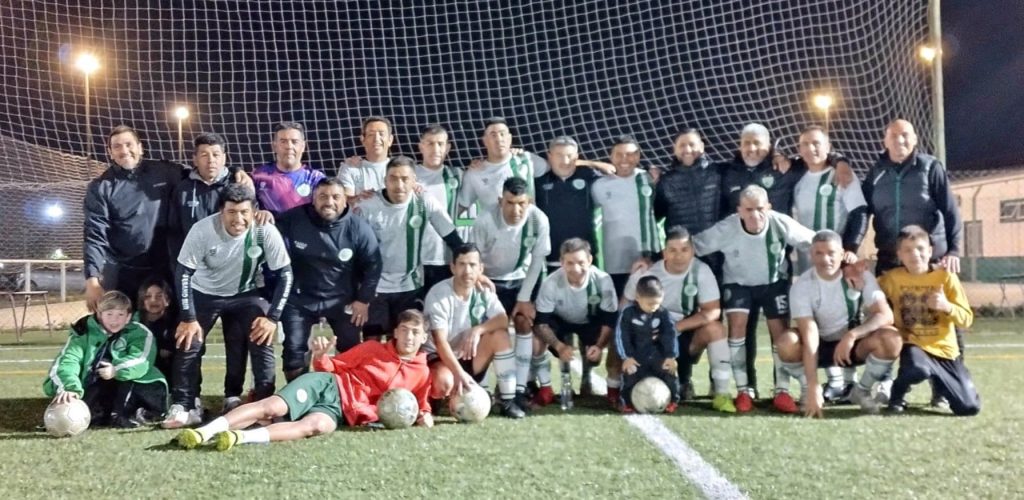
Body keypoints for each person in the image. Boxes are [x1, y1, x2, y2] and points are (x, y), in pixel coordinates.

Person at [174, 309, 434, 451]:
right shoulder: (373, 349)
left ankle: (239, 437)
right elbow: (333, 366)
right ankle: (203, 433)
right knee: (273, 407)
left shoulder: (422, 372)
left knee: (317, 426)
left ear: (424, 337)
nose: (409, 337)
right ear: (395, 332)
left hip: (341, 412)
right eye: (404, 330)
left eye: (415, 332)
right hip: (328, 385)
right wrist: (321, 357)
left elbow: (421, 405)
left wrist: (424, 416)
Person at [162, 184, 294, 428]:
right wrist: (188, 317)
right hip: (204, 292)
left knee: (261, 336)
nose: (238, 219)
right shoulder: (202, 230)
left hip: (245, 293)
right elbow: (183, 272)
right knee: (189, 341)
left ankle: (260, 406)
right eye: (231, 212)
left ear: (254, 211)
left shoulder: (265, 230)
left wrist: (273, 318)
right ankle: (186, 405)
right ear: (221, 211)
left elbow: (285, 274)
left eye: (244, 212)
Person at [693, 185, 815, 413]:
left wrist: (843, 251)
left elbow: (813, 240)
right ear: (739, 210)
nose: (755, 215)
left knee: (780, 332)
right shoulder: (728, 228)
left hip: (773, 282)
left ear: (768, 207)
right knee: (737, 327)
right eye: (748, 210)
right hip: (738, 284)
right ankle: (743, 390)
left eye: (760, 209)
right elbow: (695, 245)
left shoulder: (780, 222)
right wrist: (661, 258)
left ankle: (782, 391)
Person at [776, 230, 901, 417]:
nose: (825, 259)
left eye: (831, 253)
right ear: (811, 255)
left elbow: (886, 315)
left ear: (842, 254)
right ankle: (807, 390)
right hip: (820, 346)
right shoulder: (802, 286)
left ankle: (862, 390)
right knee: (787, 342)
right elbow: (810, 334)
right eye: (819, 253)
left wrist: (852, 335)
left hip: (853, 345)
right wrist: (813, 385)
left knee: (892, 338)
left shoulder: (860, 275)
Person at [276, 177, 382, 379]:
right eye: (323, 196)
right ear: (313, 199)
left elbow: (373, 266)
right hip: (301, 299)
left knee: (351, 349)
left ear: (345, 200)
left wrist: (363, 300)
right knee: (293, 351)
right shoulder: (294, 219)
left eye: (335, 197)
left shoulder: (358, 228)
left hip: (342, 299)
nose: (329, 202)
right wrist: (263, 215)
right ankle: (298, 392)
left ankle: (344, 391)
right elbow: (268, 228)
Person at [353, 156, 468, 341]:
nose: (399, 185)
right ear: (385, 180)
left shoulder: (424, 201)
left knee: (405, 342)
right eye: (393, 178)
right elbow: (354, 249)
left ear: (414, 180)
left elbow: (454, 240)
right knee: (371, 343)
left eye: (405, 179)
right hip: (375, 287)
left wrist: (472, 268)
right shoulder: (367, 205)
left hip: (410, 286)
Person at [622, 227, 735, 413]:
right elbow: (625, 304)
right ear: (664, 252)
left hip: (681, 334)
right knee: (620, 337)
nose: (679, 256)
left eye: (684, 250)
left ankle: (722, 394)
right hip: (649, 339)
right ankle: (618, 391)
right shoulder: (648, 274)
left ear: (692, 251)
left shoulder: (701, 271)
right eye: (672, 250)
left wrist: (675, 328)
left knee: (716, 329)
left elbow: (712, 311)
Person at [879, 225, 979, 416]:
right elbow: (870, 292)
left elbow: (966, 319)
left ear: (930, 251)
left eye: (920, 248)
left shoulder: (946, 277)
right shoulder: (892, 278)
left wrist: (946, 306)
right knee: (917, 369)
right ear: (899, 254)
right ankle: (897, 394)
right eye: (908, 250)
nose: (915, 254)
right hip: (914, 344)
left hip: (945, 351)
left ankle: (942, 382)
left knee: (969, 408)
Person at [470, 177, 551, 409]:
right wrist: (479, 279)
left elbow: (537, 261)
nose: (516, 210)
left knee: (525, 322)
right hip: (489, 281)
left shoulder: (538, 219)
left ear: (529, 201)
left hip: (520, 279)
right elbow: (474, 257)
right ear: (500, 201)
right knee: (489, 330)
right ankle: (482, 389)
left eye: (521, 203)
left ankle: (519, 389)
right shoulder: (485, 220)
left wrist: (524, 298)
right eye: (510, 203)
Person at [423, 244, 524, 418]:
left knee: (500, 335)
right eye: (462, 264)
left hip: (468, 355)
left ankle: (507, 400)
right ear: (452, 267)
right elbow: (440, 342)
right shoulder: (439, 294)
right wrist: (459, 373)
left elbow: (502, 319)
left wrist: (478, 330)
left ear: (480, 268)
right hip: (441, 358)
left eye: (472, 265)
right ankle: (442, 400)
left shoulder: (483, 290)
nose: (467, 271)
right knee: (444, 382)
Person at [43, 291, 167, 428]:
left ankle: (132, 413)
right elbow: (68, 361)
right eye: (109, 314)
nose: (115, 320)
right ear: (99, 315)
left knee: (130, 380)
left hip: (138, 384)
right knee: (89, 408)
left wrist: (116, 370)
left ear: (128, 317)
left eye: (120, 315)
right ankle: (102, 413)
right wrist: (69, 388)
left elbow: (142, 360)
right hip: (100, 385)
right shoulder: (82, 332)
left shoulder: (140, 333)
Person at [863, 119, 963, 276]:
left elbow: (950, 211)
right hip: (889, 261)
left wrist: (954, 250)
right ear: (885, 141)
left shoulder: (930, 168)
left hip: (928, 261)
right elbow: (862, 213)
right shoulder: (875, 173)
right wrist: (851, 247)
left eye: (905, 135)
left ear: (915, 139)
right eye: (893, 135)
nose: (899, 140)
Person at [531, 238, 618, 405]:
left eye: (581, 262)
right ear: (561, 262)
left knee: (597, 354)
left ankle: (587, 380)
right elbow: (541, 324)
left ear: (590, 260)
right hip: (560, 321)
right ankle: (554, 384)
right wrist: (559, 346)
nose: (576, 269)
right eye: (570, 263)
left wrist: (599, 346)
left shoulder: (602, 281)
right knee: (536, 340)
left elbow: (609, 321)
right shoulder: (550, 283)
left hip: (590, 321)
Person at [167, 133, 272, 264]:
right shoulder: (182, 189)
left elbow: (252, 222)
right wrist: (179, 267)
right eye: (204, 155)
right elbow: (174, 234)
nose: (211, 160)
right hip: (195, 266)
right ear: (195, 159)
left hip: (232, 266)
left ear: (224, 158)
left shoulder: (239, 184)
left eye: (216, 155)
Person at [790, 126, 868, 273]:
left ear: (828, 147)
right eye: (805, 144)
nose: (810, 148)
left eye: (816, 143)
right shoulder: (796, 178)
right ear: (799, 149)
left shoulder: (842, 175)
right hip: (806, 261)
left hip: (836, 259)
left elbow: (860, 213)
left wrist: (851, 248)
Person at [591, 135, 662, 294]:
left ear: (638, 156)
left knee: (649, 301)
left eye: (630, 154)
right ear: (611, 157)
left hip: (648, 257)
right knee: (620, 303)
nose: (624, 159)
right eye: (619, 154)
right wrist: (593, 163)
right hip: (615, 261)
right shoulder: (599, 185)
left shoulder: (649, 179)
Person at [534, 136, 614, 274]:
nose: (565, 161)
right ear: (549, 156)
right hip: (552, 258)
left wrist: (594, 164)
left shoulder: (589, 176)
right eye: (559, 155)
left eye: (569, 156)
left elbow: (616, 173)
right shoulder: (539, 182)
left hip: (585, 259)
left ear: (576, 157)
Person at [458, 117, 550, 217]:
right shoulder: (474, 173)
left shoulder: (526, 159)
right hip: (494, 226)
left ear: (510, 138)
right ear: (485, 141)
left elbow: (555, 167)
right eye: (493, 135)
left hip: (528, 225)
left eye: (502, 134)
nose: (499, 139)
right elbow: (462, 206)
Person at [615, 276, 680, 413]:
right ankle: (626, 402)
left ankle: (673, 401)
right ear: (638, 297)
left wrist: (670, 356)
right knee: (630, 374)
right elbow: (622, 335)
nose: (653, 307)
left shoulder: (663, 313)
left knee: (670, 373)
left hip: (657, 355)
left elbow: (670, 334)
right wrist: (627, 357)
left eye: (657, 303)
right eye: (650, 304)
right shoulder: (628, 313)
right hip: (636, 356)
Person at [415, 124, 464, 294]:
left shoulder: (458, 175)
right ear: (421, 146)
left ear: (448, 147)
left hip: (446, 258)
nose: (435, 149)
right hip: (415, 260)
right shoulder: (408, 175)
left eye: (440, 144)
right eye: (430, 143)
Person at [654, 129, 722, 240]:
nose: (687, 150)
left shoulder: (719, 173)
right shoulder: (666, 182)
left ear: (702, 147)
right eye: (682, 145)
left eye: (692, 144)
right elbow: (652, 215)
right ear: (674, 149)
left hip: (716, 245)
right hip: (683, 247)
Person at [252, 122, 326, 216]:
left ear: (303, 146)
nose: (289, 146)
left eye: (294, 142)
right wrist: (257, 213)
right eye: (283, 141)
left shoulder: (315, 178)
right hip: (271, 225)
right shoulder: (258, 176)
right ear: (274, 146)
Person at [339, 116, 394, 198]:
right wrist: (358, 198)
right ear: (363, 140)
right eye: (371, 135)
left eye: (381, 134)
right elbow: (344, 200)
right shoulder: (349, 168)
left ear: (390, 140)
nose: (376, 139)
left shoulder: (401, 169)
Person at [137, 278, 175, 378]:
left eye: (159, 296)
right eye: (148, 296)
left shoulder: (174, 324)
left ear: (168, 301)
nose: (153, 300)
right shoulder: (134, 323)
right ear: (142, 301)